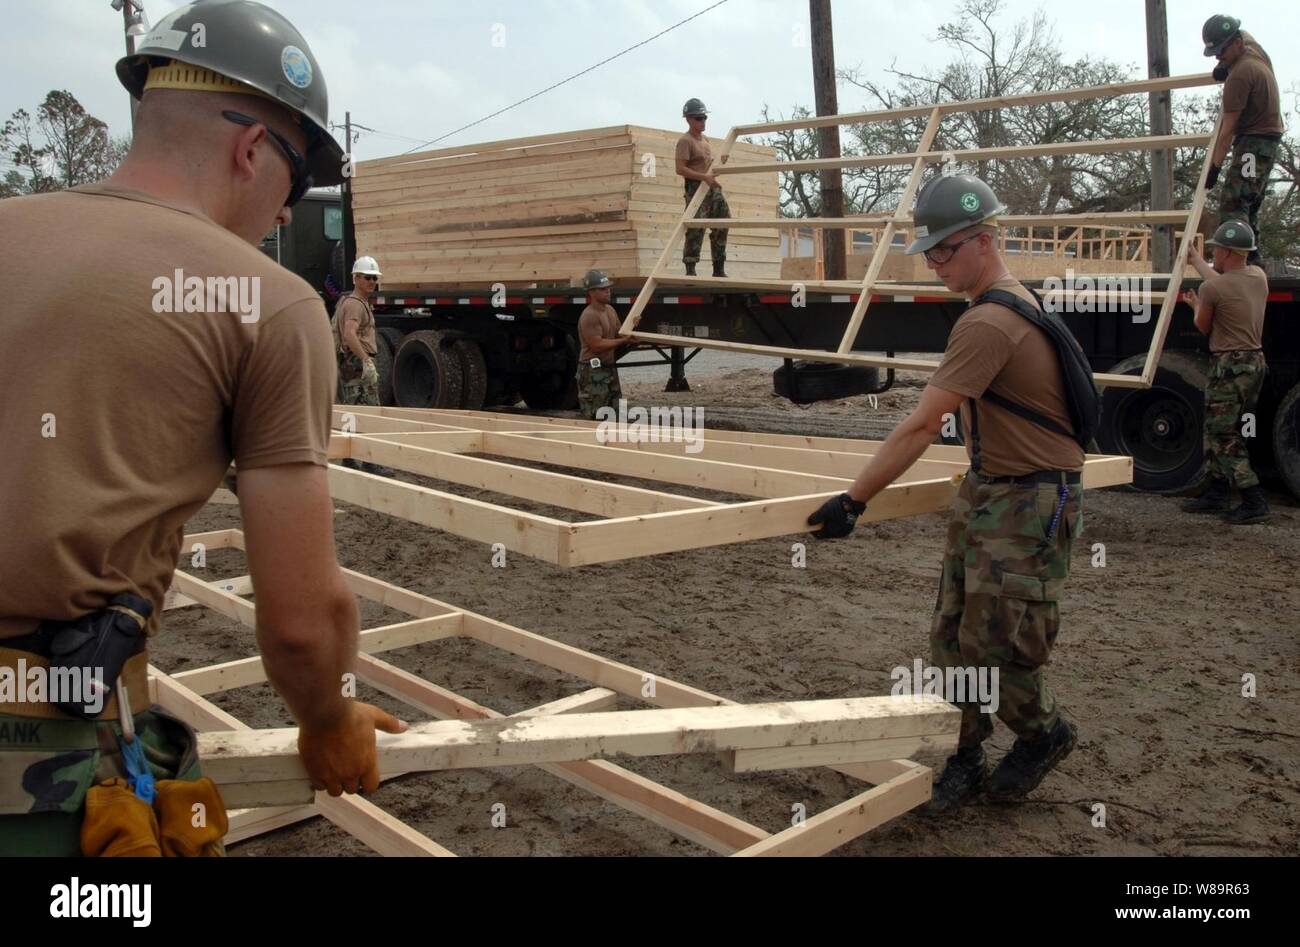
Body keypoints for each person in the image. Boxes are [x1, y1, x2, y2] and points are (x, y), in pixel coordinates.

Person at [0, 0, 404, 855]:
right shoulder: (270, 302)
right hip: (41, 765)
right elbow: (298, 622)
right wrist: (330, 716)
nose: (286, 213)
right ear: (252, 149)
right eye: (292, 184)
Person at [808, 174, 1086, 812]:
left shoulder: (992, 320)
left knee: (998, 643)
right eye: (928, 253)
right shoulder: (997, 307)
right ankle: (964, 754)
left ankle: (1044, 734)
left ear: (985, 241)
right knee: (952, 634)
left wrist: (854, 500)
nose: (933, 264)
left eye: (943, 251)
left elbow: (920, 424)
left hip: (1029, 504)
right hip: (991, 491)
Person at [1180, 220, 1270, 523]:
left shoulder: (1212, 288)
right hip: (1254, 364)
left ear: (1228, 252)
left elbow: (1203, 326)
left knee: (1222, 431)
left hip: (1229, 365)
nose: (1213, 253)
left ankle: (1253, 498)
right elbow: (1224, 285)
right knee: (1219, 426)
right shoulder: (1258, 277)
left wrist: (1195, 305)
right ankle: (1216, 492)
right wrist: (1197, 262)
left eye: (1216, 249)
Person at [1201, 14, 1284, 266]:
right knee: (1249, 200)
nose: (1218, 56)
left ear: (1236, 42)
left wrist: (1213, 168)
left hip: (1253, 144)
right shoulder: (1252, 47)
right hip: (1268, 139)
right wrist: (1223, 67)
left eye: (1221, 51)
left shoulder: (1239, 77)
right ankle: (1253, 257)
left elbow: (1227, 130)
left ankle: (1239, 261)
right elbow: (1243, 34)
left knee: (1234, 200)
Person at [333, 255, 395, 476]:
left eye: (374, 278)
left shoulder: (354, 303)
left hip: (352, 362)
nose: (372, 282)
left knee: (354, 411)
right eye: (367, 277)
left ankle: (351, 458)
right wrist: (367, 361)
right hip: (356, 363)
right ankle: (367, 460)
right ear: (355, 278)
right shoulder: (354, 305)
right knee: (367, 412)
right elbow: (350, 334)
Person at [675, 98, 731, 277]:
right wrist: (703, 177)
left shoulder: (705, 140)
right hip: (696, 188)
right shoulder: (685, 141)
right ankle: (690, 270)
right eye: (699, 118)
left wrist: (719, 163)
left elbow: (708, 164)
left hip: (711, 187)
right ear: (689, 119)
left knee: (723, 222)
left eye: (704, 118)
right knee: (695, 228)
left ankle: (719, 268)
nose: (703, 121)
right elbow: (680, 168)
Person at [575, 269, 634, 419]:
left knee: (615, 415)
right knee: (595, 417)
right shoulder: (589, 315)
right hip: (592, 372)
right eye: (603, 289)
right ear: (592, 292)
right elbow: (597, 345)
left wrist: (633, 328)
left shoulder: (610, 310)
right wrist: (623, 340)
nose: (608, 291)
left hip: (608, 369)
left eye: (608, 288)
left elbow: (620, 332)